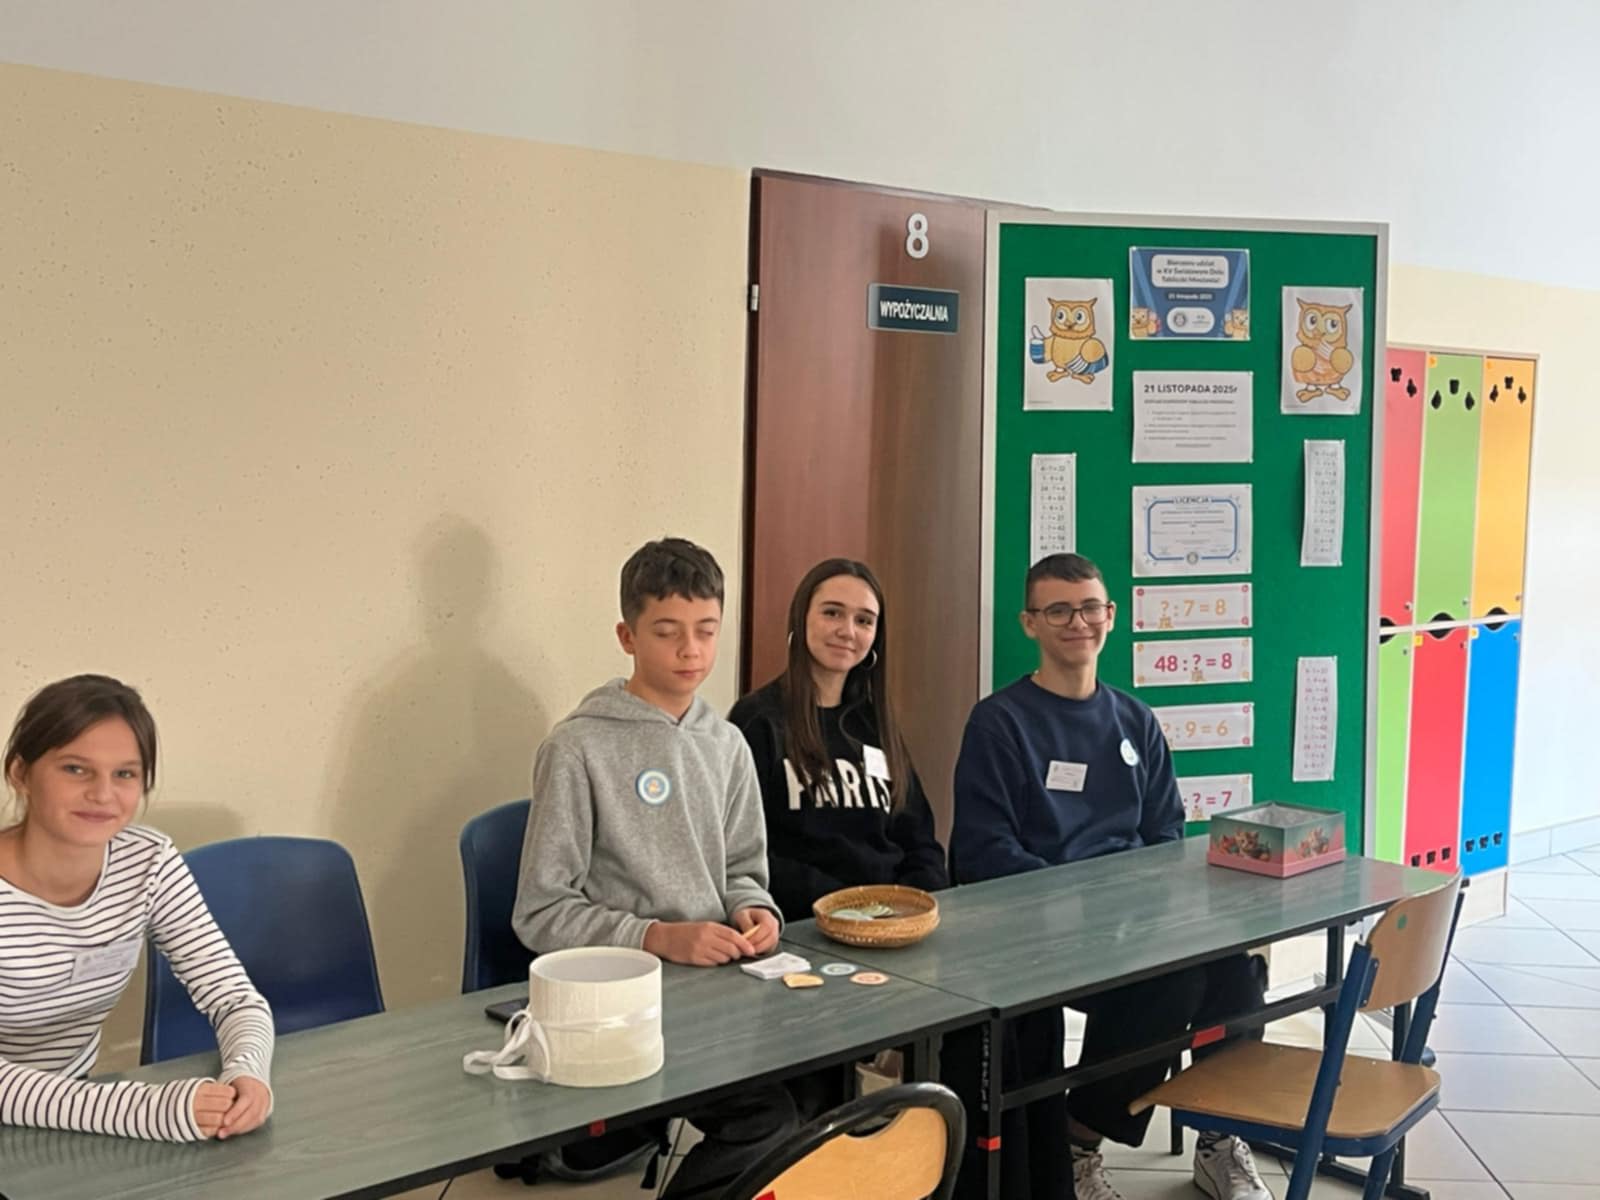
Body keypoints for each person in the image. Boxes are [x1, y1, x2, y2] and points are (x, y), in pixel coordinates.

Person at [949, 553, 1272, 1200]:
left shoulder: (1135, 720)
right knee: (1170, 985)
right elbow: (983, 852)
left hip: (1134, 922)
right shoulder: (1000, 722)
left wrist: (1139, 909)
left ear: (1111, 616)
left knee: (1235, 970)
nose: (1078, 622)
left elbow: (1166, 834)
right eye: (1058, 610)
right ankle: (1078, 1142)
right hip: (1042, 930)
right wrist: (1088, 907)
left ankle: (1218, 1136)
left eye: (1090, 607)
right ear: (1030, 623)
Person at [513, 537, 796, 1198]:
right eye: (668, 632)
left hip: (717, 992)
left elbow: (742, 870)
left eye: (707, 631)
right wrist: (656, 936)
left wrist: (753, 910)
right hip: (624, 999)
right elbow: (540, 910)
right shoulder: (578, 746)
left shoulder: (726, 744)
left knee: (815, 1090)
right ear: (627, 636)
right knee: (768, 1124)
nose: (690, 650)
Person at [0, 675, 274, 1143]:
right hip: (80, 1113)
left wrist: (248, 1074)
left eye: (125, 774)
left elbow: (233, 996)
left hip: (71, 1122)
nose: (103, 794)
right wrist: (140, 1108)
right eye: (75, 769)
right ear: (20, 773)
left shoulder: (147, 861)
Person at [729, 557, 948, 924]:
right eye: (832, 613)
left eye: (864, 620)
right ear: (801, 618)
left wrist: (918, 906)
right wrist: (848, 908)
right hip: (805, 926)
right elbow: (747, 852)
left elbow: (919, 840)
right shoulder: (757, 720)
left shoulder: (877, 724)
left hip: (895, 925)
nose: (848, 631)